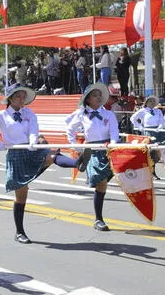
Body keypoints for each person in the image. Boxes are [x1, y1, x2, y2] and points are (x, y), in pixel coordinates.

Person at [0, 84, 83, 243]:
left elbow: (34, 129)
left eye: (23, 96)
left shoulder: (29, 113)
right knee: (21, 197)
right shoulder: (1, 115)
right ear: (11, 99)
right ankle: (19, 232)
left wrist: (33, 141)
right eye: (18, 96)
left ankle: (78, 163)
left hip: (31, 149)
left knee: (52, 154)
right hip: (16, 154)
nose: (22, 99)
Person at [66, 82, 119, 231]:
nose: (98, 97)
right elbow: (69, 129)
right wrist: (75, 146)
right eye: (95, 95)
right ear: (88, 99)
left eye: (99, 95)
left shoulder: (109, 114)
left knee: (103, 184)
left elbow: (114, 131)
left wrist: (113, 144)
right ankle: (98, 218)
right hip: (92, 149)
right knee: (101, 182)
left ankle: (98, 218)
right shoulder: (81, 114)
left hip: (107, 149)